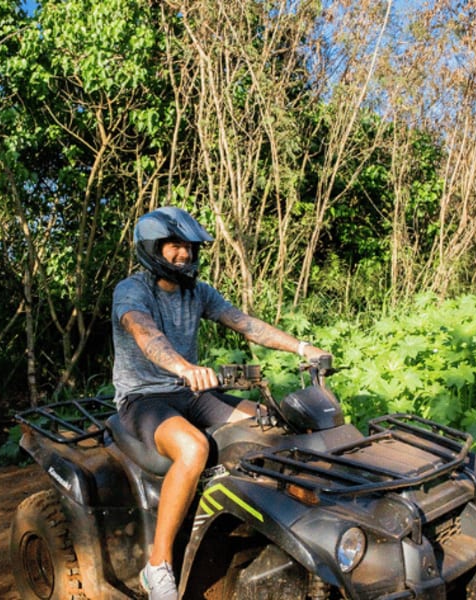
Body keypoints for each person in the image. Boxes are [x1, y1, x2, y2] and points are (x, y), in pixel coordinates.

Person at [111, 206, 329, 600]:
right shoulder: (132, 291)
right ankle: (158, 566)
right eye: (175, 245)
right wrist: (183, 367)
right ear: (152, 248)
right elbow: (145, 334)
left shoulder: (198, 292)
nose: (184, 255)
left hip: (191, 393)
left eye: (190, 248)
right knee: (193, 448)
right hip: (144, 398)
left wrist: (301, 347)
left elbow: (245, 323)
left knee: (271, 422)